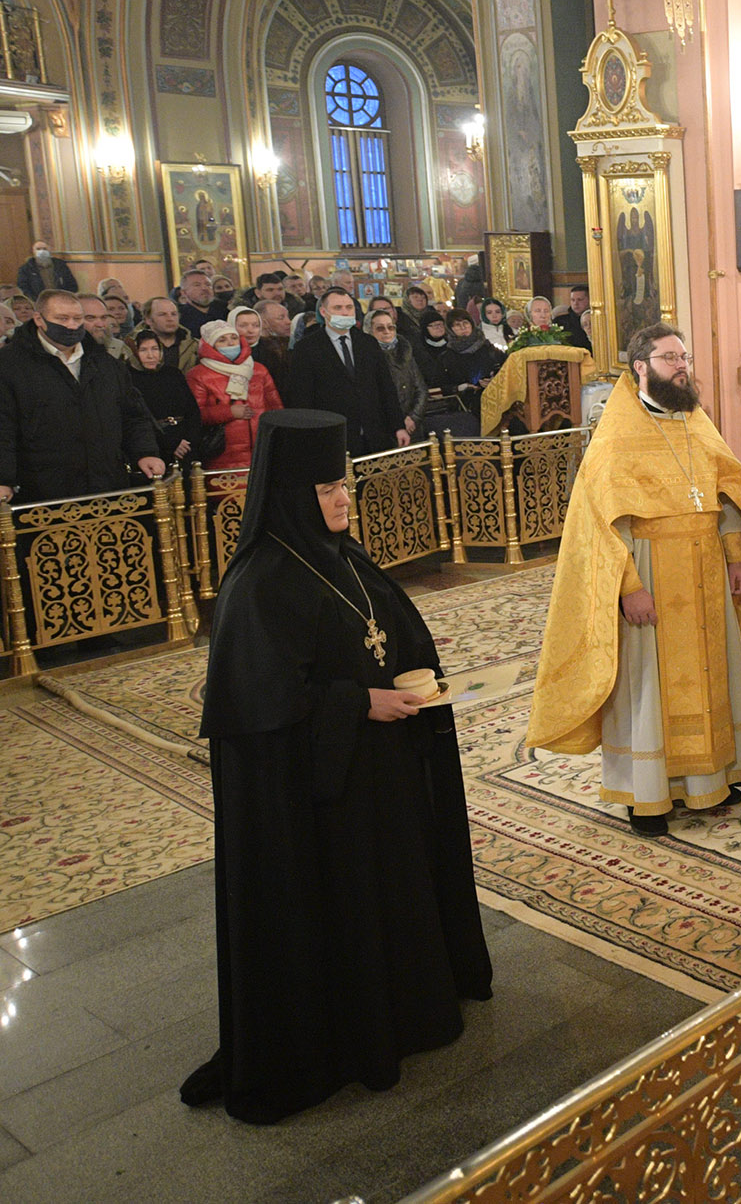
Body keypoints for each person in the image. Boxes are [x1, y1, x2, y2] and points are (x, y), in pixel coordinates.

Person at [180, 410, 489, 1124]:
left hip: (376, 782)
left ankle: (402, 1013)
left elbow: (383, 630)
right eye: (327, 488)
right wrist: (357, 704)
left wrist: (416, 680)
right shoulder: (257, 585)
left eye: (343, 483)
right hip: (317, 808)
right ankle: (348, 1036)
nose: (344, 499)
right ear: (291, 492)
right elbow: (261, 710)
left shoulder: (340, 557)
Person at [526, 325, 741, 836]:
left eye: (683, 357)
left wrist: (735, 557)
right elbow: (602, 523)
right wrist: (629, 588)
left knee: (713, 673)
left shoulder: (695, 420)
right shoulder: (618, 431)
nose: (681, 366)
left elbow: (726, 491)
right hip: (650, 571)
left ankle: (713, 777)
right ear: (640, 367)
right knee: (649, 685)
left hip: (706, 568)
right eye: (669, 358)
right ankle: (648, 796)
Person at [0, 289, 164, 503]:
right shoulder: (9, 365)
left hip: (106, 484)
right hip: (43, 489)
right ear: (39, 319)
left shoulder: (105, 363)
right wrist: (4, 479)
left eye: (77, 318)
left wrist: (145, 452)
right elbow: (3, 426)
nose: (71, 325)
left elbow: (133, 414)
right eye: (62, 318)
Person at [281, 289, 409, 455]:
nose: (345, 312)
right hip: (332, 437)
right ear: (323, 311)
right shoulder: (307, 348)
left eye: (349, 307)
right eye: (338, 308)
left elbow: (386, 388)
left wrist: (398, 426)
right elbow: (301, 397)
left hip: (374, 434)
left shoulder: (368, 343)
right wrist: (309, 436)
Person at [188, 318, 283, 471]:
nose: (231, 343)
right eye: (222, 340)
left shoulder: (258, 370)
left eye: (234, 338)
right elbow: (194, 415)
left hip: (262, 449)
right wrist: (228, 412)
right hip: (222, 454)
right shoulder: (198, 375)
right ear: (210, 345)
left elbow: (275, 407)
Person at [128, 328, 218, 471]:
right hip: (155, 446)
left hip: (185, 443)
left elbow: (192, 410)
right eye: (143, 350)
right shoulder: (128, 378)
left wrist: (189, 440)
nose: (151, 355)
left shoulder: (172, 373)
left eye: (155, 349)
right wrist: (170, 443)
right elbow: (138, 417)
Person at [368, 308, 428, 439]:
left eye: (391, 327)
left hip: (412, 425)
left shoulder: (405, 353)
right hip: (384, 429)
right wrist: (397, 423)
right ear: (369, 331)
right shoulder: (366, 357)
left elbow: (421, 389)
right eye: (380, 328)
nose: (387, 332)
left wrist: (413, 417)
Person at [145, 296, 198, 371]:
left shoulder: (195, 346)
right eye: (162, 314)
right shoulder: (133, 347)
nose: (170, 319)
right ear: (149, 320)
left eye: (174, 314)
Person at [177, 269, 224, 337]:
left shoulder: (225, 309)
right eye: (197, 285)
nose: (204, 288)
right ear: (184, 292)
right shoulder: (179, 317)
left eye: (208, 284)